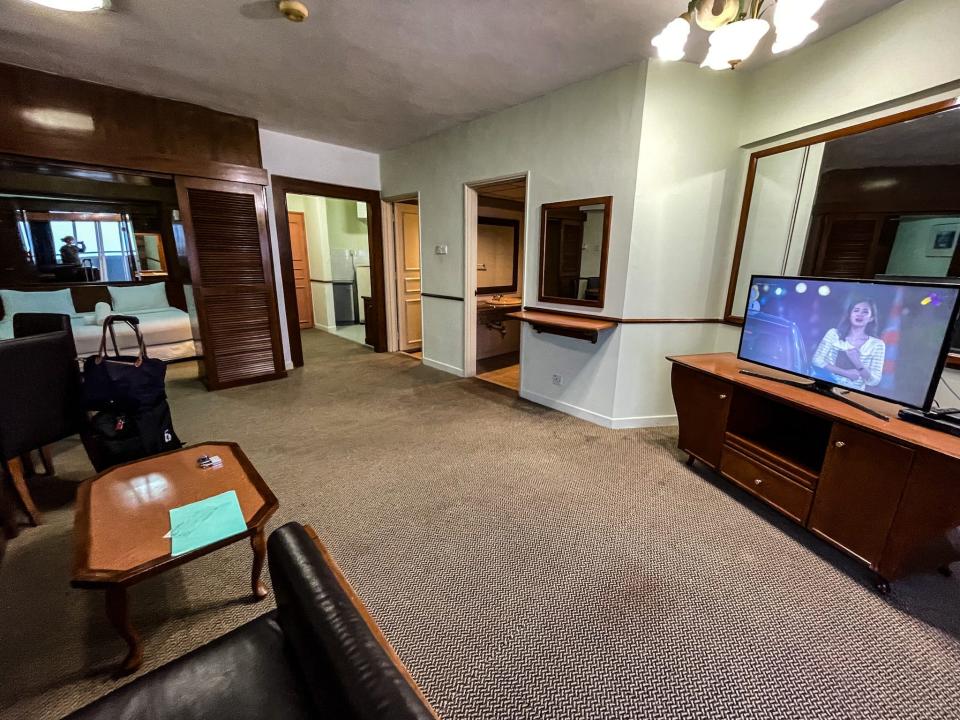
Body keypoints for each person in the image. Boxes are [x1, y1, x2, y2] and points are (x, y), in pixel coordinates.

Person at [812, 298, 886, 391]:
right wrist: (845, 373)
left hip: (852, 394)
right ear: (849, 315)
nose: (860, 314)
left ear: (871, 318)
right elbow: (816, 360)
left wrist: (857, 362)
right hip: (825, 386)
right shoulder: (833, 334)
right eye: (856, 310)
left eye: (865, 312)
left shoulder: (877, 344)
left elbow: (874, 381)